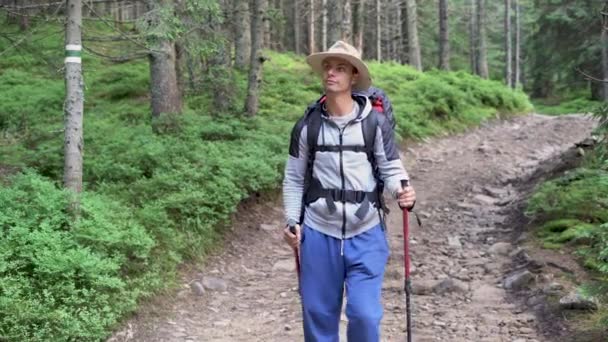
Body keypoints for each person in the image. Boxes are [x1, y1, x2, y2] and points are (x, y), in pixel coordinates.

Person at [282, 40, 416, 342]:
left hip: (366, 232)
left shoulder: (375, 123)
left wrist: (403, 192)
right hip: (318, 232)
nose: (331, 73)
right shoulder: (307, 126)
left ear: (354, 76)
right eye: (328, 67)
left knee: (365, 316)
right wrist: (292, 221)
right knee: (318, 316)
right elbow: (293, 177)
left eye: (340, 68)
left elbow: (392, 169)